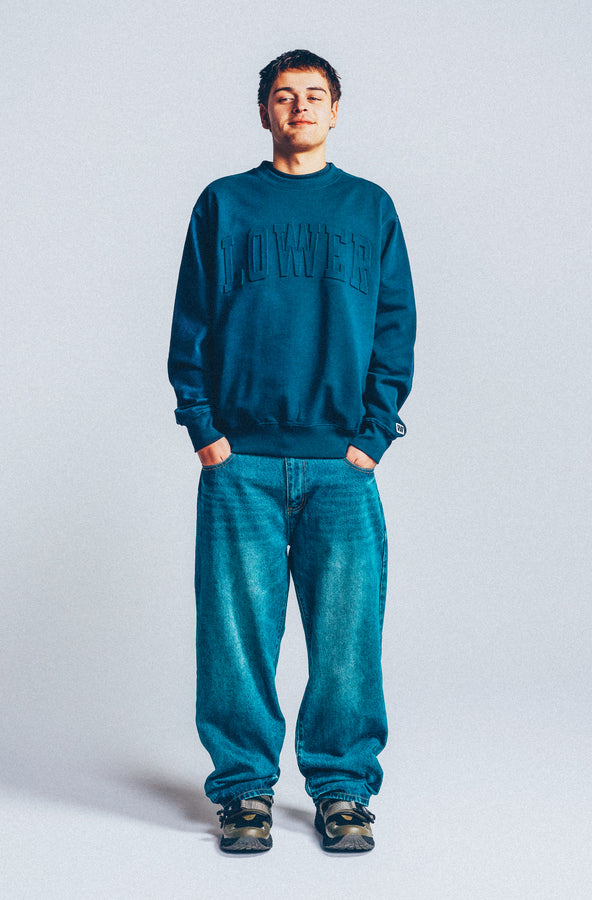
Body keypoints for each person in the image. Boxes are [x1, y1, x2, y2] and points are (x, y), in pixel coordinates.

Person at [167, 49, 416, 854]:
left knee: (347, 638)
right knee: (234, 637)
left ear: (336, 111)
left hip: (341, 464)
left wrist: (372, 437)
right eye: (284, 96)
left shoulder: (369, 208)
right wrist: (205, 431)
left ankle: (343, 792)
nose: (299, 107)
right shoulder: (224, 204)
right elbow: (191, 322)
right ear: (264, 112)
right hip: (239, 462)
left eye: (314, 95)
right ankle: (244, 792)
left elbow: (395, 328)